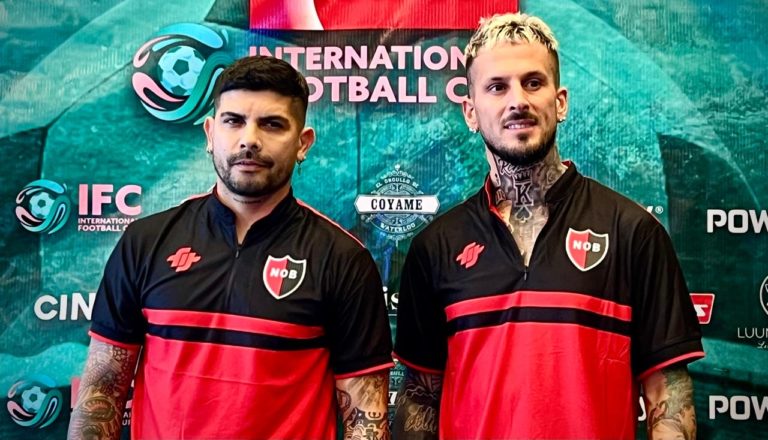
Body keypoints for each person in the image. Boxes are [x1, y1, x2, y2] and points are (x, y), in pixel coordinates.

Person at [392, 13, 704, 440]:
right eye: (497, 87)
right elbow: (420, 397)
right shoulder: (436, 246)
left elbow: (668, 395)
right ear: (470, 111)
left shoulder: (633, 232)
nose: (517, 100)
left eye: (533, 83)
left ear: (560, 103)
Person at [68, 55, 393, 440]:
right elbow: (101, 391)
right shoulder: (146, 242)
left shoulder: (343, 260)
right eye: (233, 121)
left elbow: (366, 424)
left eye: (272, 124)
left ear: (303, 143)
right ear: (210, 134)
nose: (249, 139)